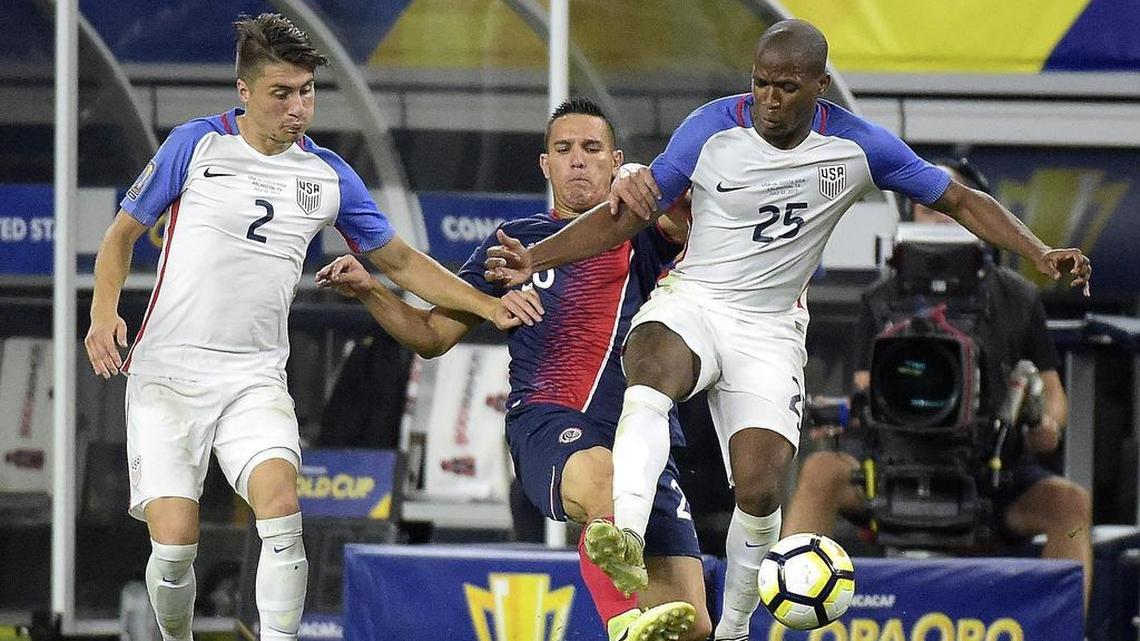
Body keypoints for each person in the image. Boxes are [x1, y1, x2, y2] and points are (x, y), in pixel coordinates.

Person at [482, 19, 1092, 640]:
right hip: (695, 298)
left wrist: (1040, 252)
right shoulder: (712, 126)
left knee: (759, 486)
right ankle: (627, 534)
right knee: (650, 367)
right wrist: (539, 257)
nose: (769, 100)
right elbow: (621, 218)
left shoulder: (860, 147)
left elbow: (959, 200)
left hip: (769, 330)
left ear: (819, 86)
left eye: (786, 87)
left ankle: (737, 628)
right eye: (761, 83)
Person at [82, 14, 529, 641]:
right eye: (281, 93)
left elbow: (400, 261)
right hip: (168, 375)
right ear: (245, 92)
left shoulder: (328, 176)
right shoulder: (195, 145)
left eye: (307, 92)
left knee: (282, 512)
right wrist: (104, 313)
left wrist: (484, 307)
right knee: (177, 546)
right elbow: (120, 236)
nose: (298, 107)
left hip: (254, 377)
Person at [316, 97, 712, 641]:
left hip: (643, 433)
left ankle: (630, 612)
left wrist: (647, 179)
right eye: (564, 149)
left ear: (614, 159)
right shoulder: (511, 243)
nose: (578, 161)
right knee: (606, 484)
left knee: (691, 625)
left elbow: (681, 213)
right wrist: (370, 292)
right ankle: (621, 618)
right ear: (544, 164)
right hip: (550, 422)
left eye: (592, 150)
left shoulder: (640, 233)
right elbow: (430, 337)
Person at [783, 158, 1093, 609]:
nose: (939, 210)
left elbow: (1051, 386)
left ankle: (1063, 626)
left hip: (991, 473)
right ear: (911, 214)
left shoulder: (1018, 297)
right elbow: (868, 385)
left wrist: (1046, 422)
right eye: (928, 204)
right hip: (891, 468)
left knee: (1069, 506)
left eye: (950, 201)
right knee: (820, 472)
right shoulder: (881, 296)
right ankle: (788, 614)